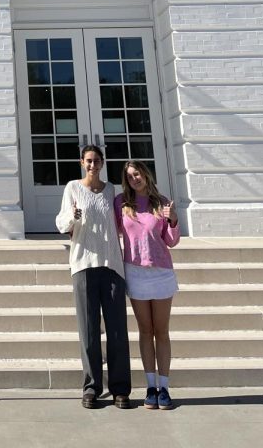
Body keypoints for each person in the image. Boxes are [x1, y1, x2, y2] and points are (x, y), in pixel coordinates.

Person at [55, 144, 132, 409]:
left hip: (112, 265)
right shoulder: (73, 188)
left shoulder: (112, 190)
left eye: (97, 160)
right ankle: (91, 388)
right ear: (82, 162)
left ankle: (120, 389)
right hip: (83, 265)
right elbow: (62, 223)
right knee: (88, 331)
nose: (92, 165)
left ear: (102, 163)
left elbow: (123, 223)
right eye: (88, 161)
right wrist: (73, 217)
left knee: (117, 331)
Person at [114, 160, 181, 411]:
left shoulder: (161, 201)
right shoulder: (121, 203)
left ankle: (164, 387)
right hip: (136, 272)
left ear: (145, 174)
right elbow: (111, 231)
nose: (135, 179)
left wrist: (173, 220)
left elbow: (171, 241)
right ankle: (150, 386)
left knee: (161, 331)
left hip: (161, 272)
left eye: (137, 173)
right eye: (130, 176)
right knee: (145, 330)